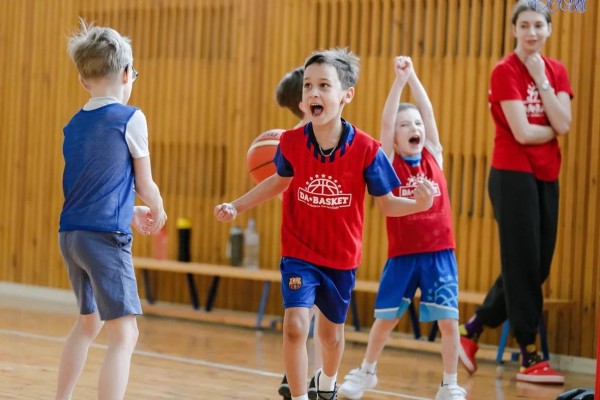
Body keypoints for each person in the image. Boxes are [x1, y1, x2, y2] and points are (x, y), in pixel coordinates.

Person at [215, 48, 435, 400]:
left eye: (323, 86)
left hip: (341, 257)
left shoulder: (368, 149)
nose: (313, 93)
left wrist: (418, 203)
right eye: (308, 86)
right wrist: (237, 206)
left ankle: (328, 385)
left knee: (331, 336)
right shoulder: (290, 142)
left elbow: (388, 205)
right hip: (299, 252)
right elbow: (277, 181)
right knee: (294, 326)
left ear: (346, 95)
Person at [338, 56, 467, 400]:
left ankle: (450, 383)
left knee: (449, 323)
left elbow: (428, 113)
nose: (414, 129)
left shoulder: (433, 154)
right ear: (393, 137)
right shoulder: (389, 162)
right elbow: (385, 120)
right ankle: (367, 371)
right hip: (403, 256)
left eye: (416, 125)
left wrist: (413, 78)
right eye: (404, 125)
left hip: (439, 254)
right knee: (385, 321)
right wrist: (398, 83)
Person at [458, 0, 572, 385]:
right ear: (514, 30)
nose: (531, 32)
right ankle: (529, 354)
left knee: (535, 266)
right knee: (523, 264)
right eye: (524, 25)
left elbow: (566, 123)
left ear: (548, 30)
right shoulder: (503, 71)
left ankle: (472, 330)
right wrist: (551, 129)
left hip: (546, 175)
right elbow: (524, 132)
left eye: (538, 25)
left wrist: (542, 81)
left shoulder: (557, 71)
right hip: (511, 175)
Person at [56, 20, 167, 400]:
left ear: (84, 80)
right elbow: (144, 182)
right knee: (125, 334)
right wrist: (156, 206)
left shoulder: (73, 125)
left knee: (88, 323)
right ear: (125, 73)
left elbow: (93, 184)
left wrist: (129, 211)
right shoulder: (130, 117)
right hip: (104, 238)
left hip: (71, 235)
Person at [275, 66, 322, 400]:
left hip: (324, 235)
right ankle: (309, 378)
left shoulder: (332, 135)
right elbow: (279, 186)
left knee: (307, 314)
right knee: (309, 314)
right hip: (304, 238)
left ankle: (306, 376)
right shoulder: (292, 140)